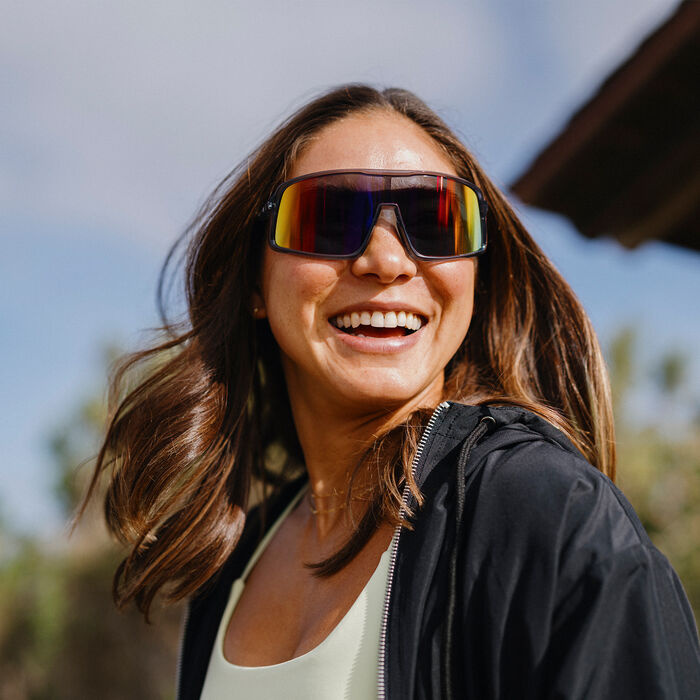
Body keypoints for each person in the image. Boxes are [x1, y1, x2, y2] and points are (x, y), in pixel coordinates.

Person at [81, 84, 700, 699]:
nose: (387, 260)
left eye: (435, 221)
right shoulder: (230, 560)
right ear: (253, 281)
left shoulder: (547, 511)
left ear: (477, 278)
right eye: (327, 218)